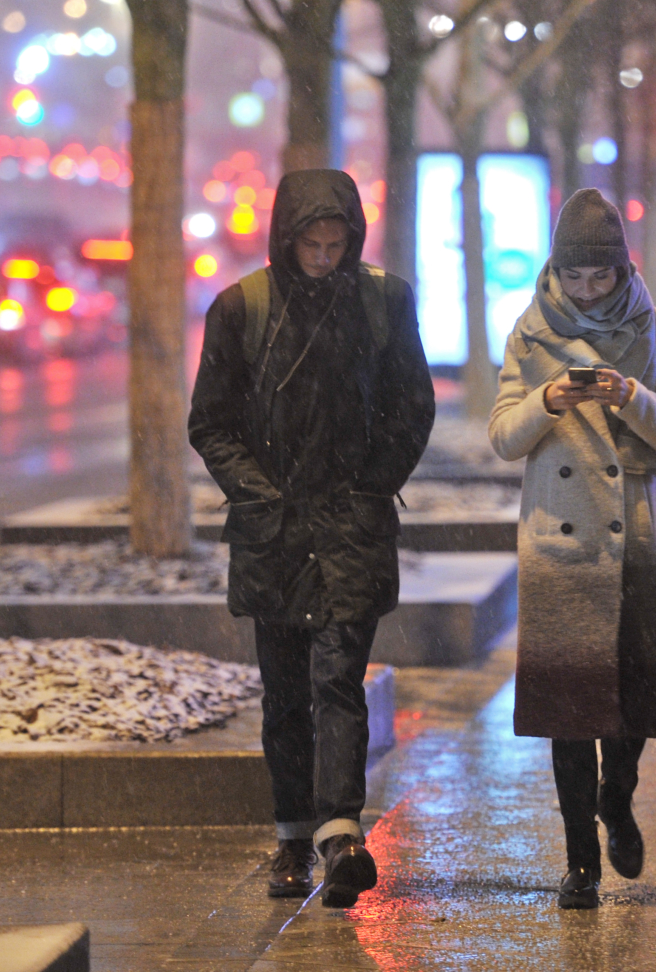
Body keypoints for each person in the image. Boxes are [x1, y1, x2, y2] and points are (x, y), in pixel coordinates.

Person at [188, 169, 435, 908]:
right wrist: (260, 493)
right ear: (286, 239)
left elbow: (409, 403)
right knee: (285, 694)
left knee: (337, 682)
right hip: (274, 531)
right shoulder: (241, 309)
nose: (324, 257)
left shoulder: (384, 302)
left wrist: (369, 482)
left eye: (337, 244)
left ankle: (339, 834)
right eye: (312, 244)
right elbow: (211, 420)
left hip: (350, 526)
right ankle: (294, 837)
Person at [488, 189, 656, 910]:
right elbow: (501, 438)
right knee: (570, 710)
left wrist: (628, 397)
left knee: (634, 705)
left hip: (637, 540)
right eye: (575, 278)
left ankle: (619, 796)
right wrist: (546, 402)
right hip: (560, 542)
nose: (586, 292)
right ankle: (580, 860)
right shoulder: (528, 332)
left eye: (600, 278)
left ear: (621, 270)